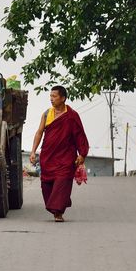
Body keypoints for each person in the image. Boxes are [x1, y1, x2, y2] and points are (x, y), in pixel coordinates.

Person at [29, 85, 89, 222]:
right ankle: (57, 205)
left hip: (66, 157)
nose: (51, 99)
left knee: (62, 182)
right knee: (47, 185)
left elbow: (80, 135)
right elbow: (39, 133)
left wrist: (82, 154)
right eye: (50, 96)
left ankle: (58, 212)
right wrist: (33, 151)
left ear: (63, 98)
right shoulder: (46, 114)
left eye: (54, 96)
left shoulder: (72, 116)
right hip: (48, 157)